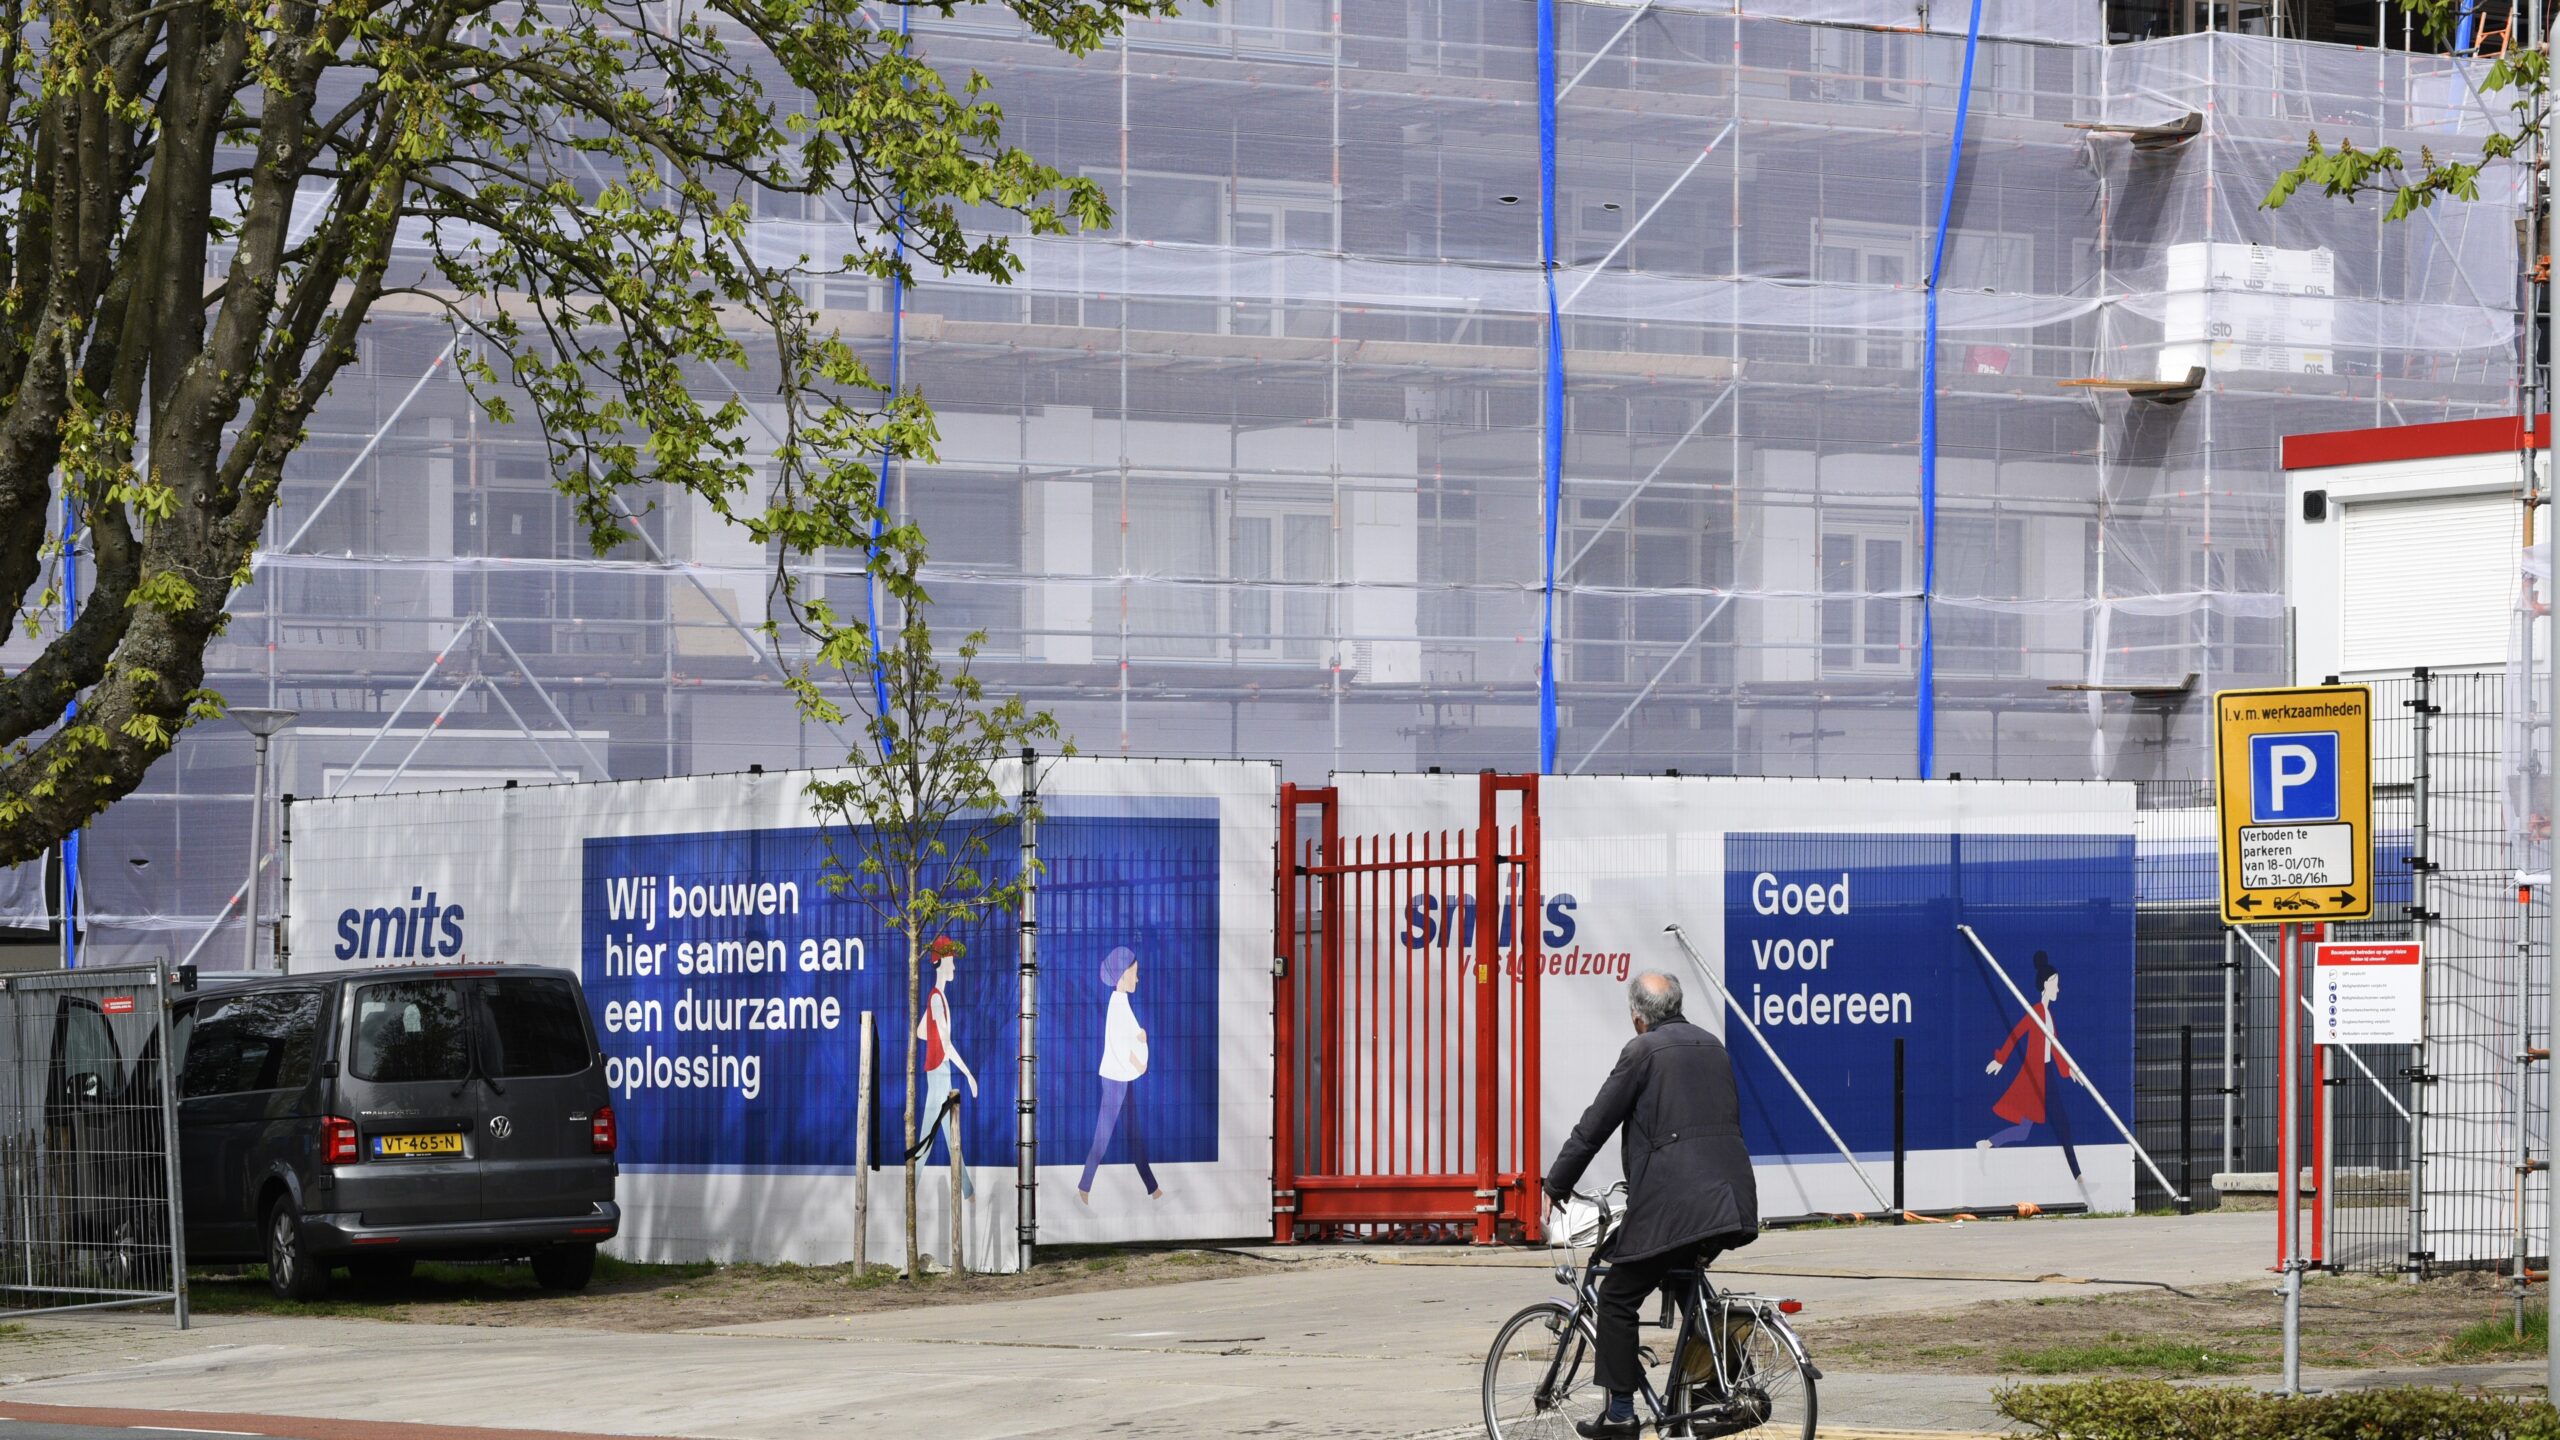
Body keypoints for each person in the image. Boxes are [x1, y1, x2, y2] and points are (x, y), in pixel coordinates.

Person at [1544, 971, 1758, 1440]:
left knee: (1618, 1294)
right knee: (1684, 1279)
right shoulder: (1712, 1046)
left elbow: (1594, 1126)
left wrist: (1557, 1183)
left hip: (1673, 1201)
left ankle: (1620, 1415)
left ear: (1638, 1018)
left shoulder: (1641, 1051)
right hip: (1731, 1197)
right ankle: (1723, 1387)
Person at [1976, 950, 2081, 1180]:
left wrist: (2068, 1069)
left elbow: (2054, 1047)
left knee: (2043, 1128)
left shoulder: (2048, 1015)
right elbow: (2016, 1033)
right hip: (2036, 1076)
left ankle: (1988, 1143)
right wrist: (2000, 1059)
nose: (2058, 989)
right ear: (2045, 984)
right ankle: (1987, 1143)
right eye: (2055, 985)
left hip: (2047, 1074)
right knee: (2044, 1127)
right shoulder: (2036, 1012)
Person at [1077, 944, 1165, 1204]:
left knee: (1134, 1134)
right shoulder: (1118, 1005)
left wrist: (1140, 1039)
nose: (1137, 978)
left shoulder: (1121, 1003)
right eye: (1134, 973)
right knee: (1103, 1135)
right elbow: (1119, 1044)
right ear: (1122, 975)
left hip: (1121, 1079)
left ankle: (1153, 1188)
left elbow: (1127, 1037)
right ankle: (1084, 1186)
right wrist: (1139, 1063)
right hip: (1117, 1080)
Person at [916, 936, 978, 1199]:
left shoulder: (936, 997)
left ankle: (965, 1189)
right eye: (951, 961)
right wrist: (969, 1075)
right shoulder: (937, 1000)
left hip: (938, 1070)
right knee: (937, 1136)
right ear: (940, 962)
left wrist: (935, 1044)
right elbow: (947, 1043)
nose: (954, 968)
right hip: (940, 1071)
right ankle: (967, 1190)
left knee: (934, 1135)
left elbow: (921, 1032)